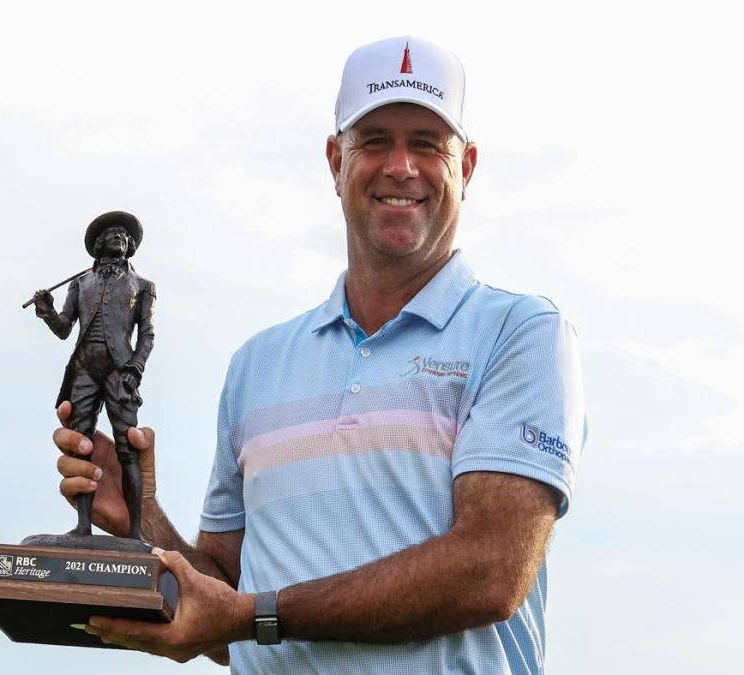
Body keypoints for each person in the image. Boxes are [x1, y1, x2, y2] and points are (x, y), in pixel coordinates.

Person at [52, 36, 585, 673]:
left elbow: (490, 571)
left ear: (465, 167)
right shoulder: (257, 365)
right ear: (336, 161)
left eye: (426, 143)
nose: (400, 167)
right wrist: (144, 520)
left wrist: (255, 615)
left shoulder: (520, 332)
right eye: (375, 140)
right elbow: (221, 608)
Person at [34, 211, 155, 542]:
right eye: (111, 234)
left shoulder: (143, 286)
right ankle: (83, 526)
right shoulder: (80, 283)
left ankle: (135, 532)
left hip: (121, 371)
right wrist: (47, 310)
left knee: (127, 448)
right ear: (99, 244)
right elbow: (63, 328)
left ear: (130, 247)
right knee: (81, 447)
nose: (118, 238)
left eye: (124, 236)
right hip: (85, 369)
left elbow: (147, 335)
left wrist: (135, 367)